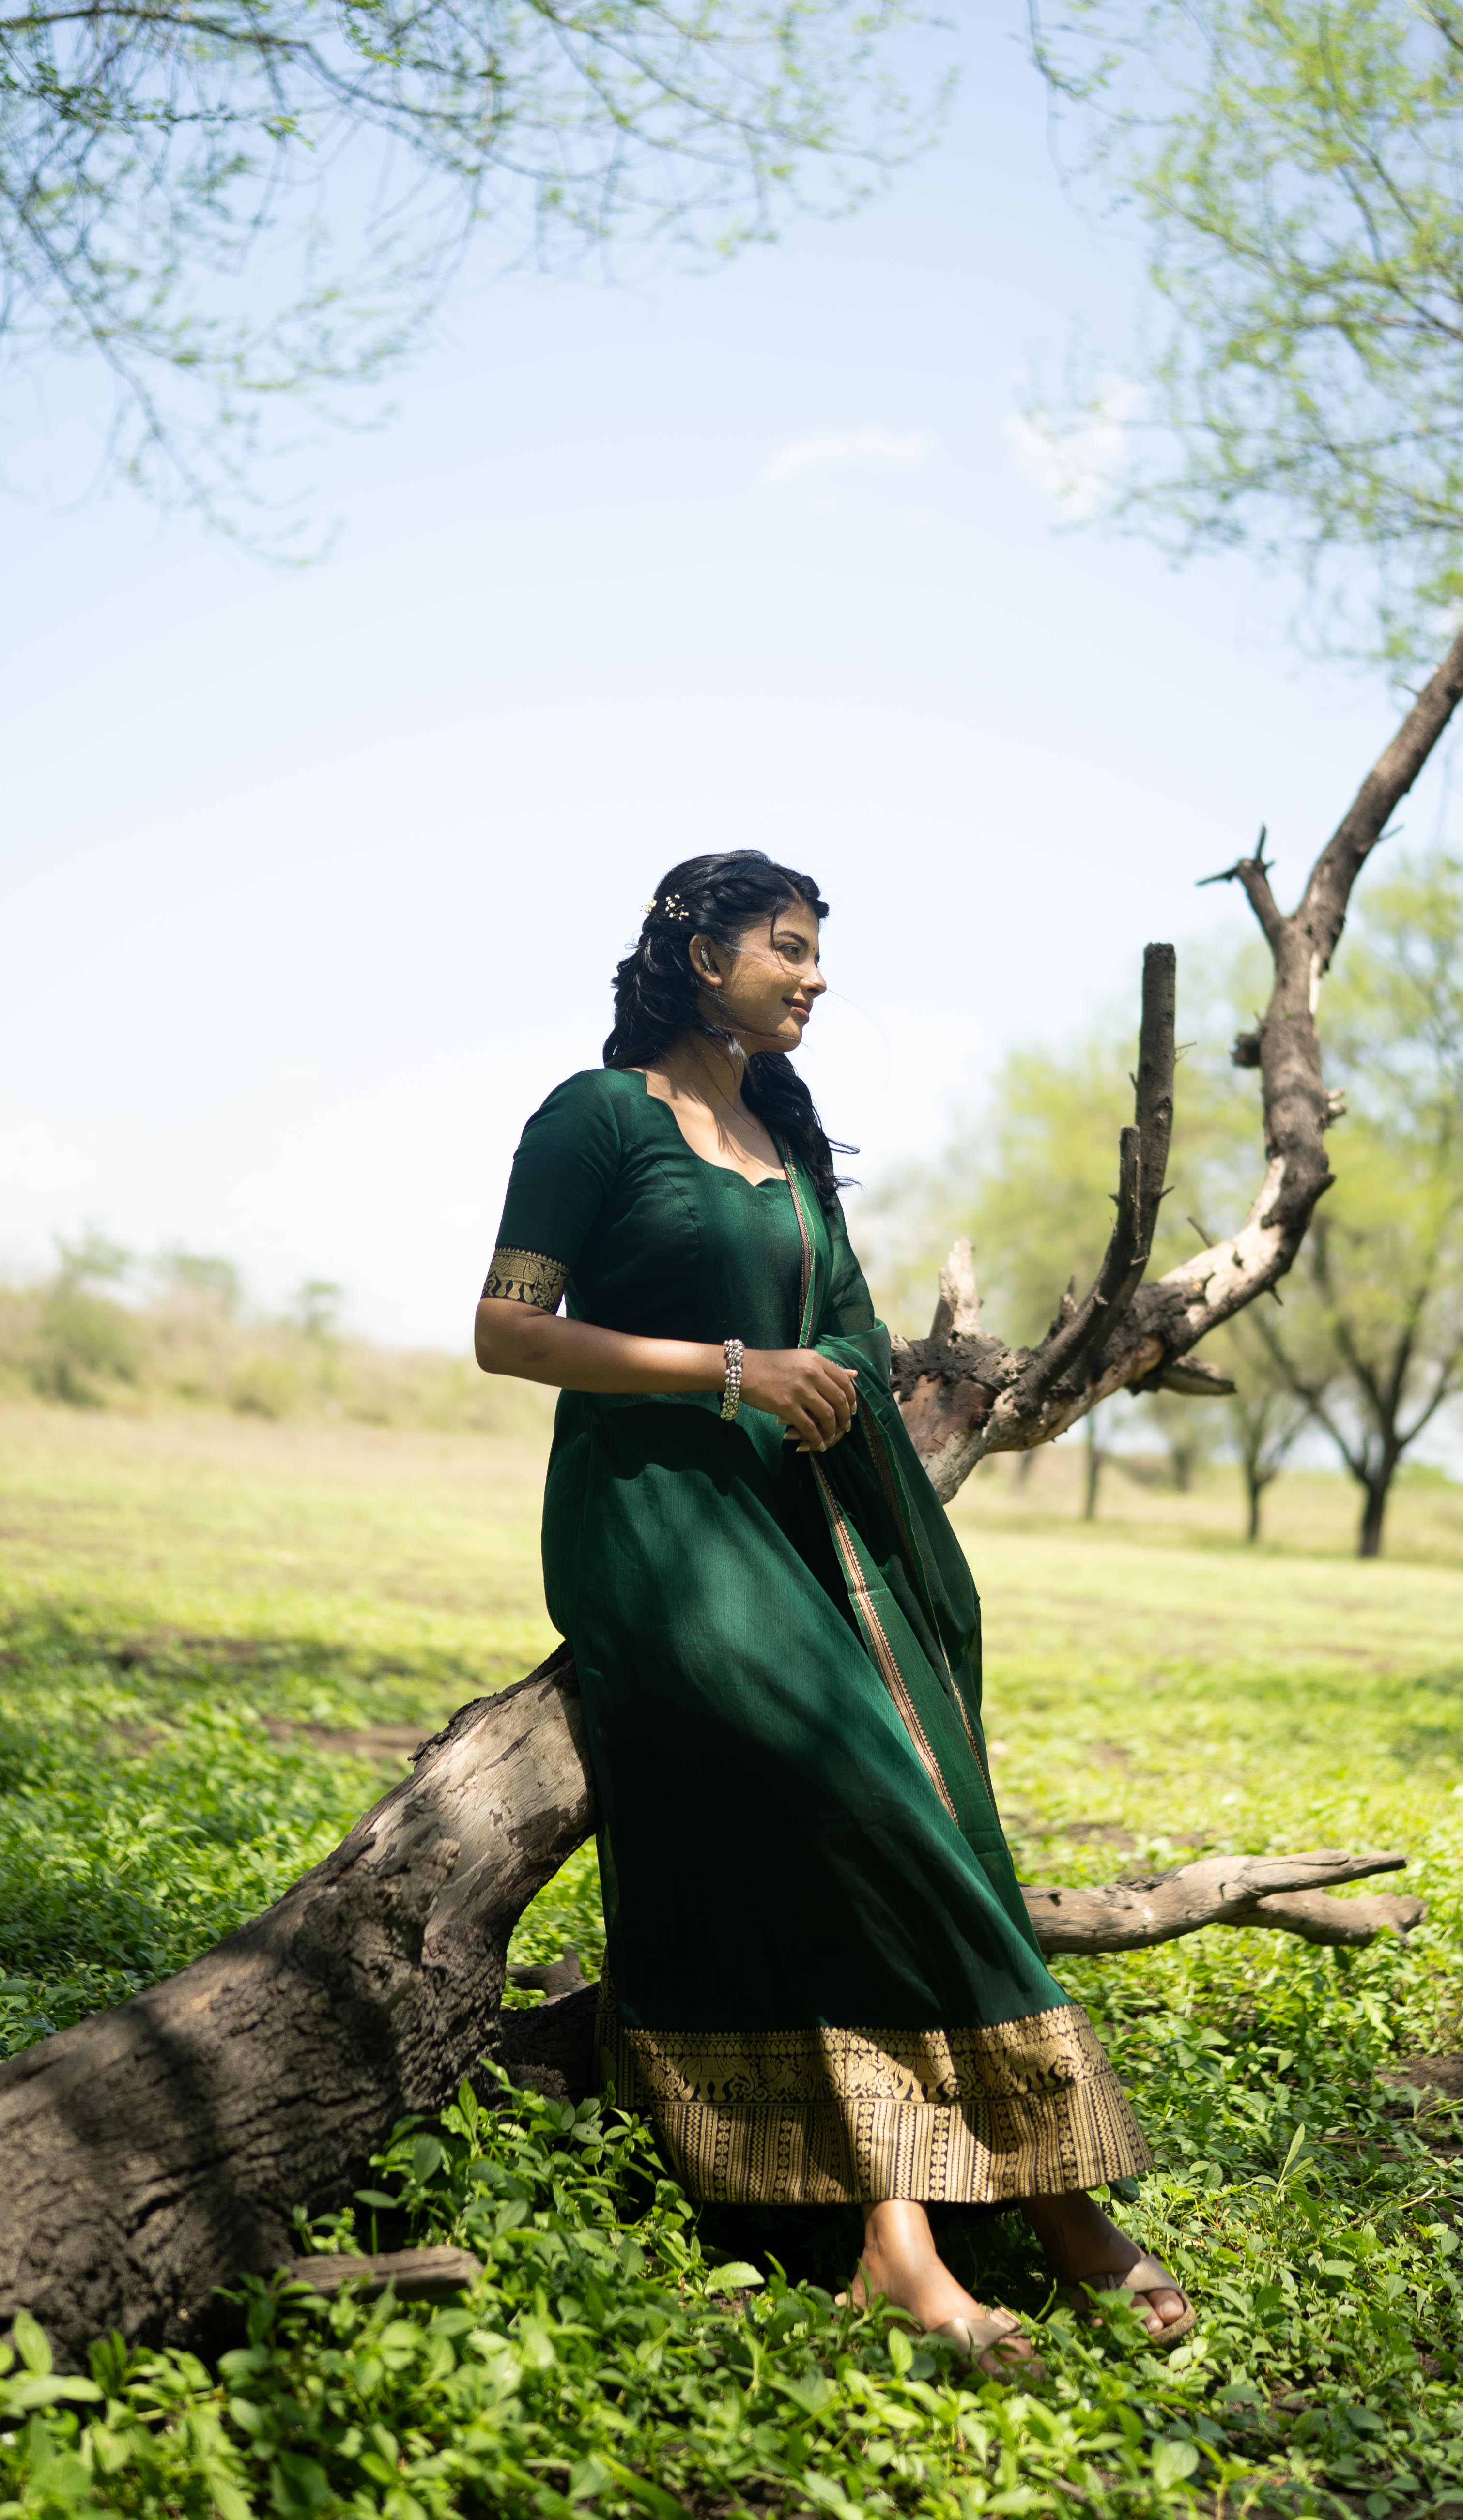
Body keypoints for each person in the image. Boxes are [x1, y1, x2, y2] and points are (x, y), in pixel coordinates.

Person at [474, 850, 1192, 2372]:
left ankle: (942, 2233)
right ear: (695, 947)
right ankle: (981, 2229)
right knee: (847, 1802)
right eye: (788, 949)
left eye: (816, 955)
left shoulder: (777, 1130)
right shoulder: (596, 1119)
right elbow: (504, 1331)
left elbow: (848, 1334)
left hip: (793, 1525)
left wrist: (886, 1412)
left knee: (898, 1821)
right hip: (656, 1522)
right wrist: (729, 1371)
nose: (812, 978)